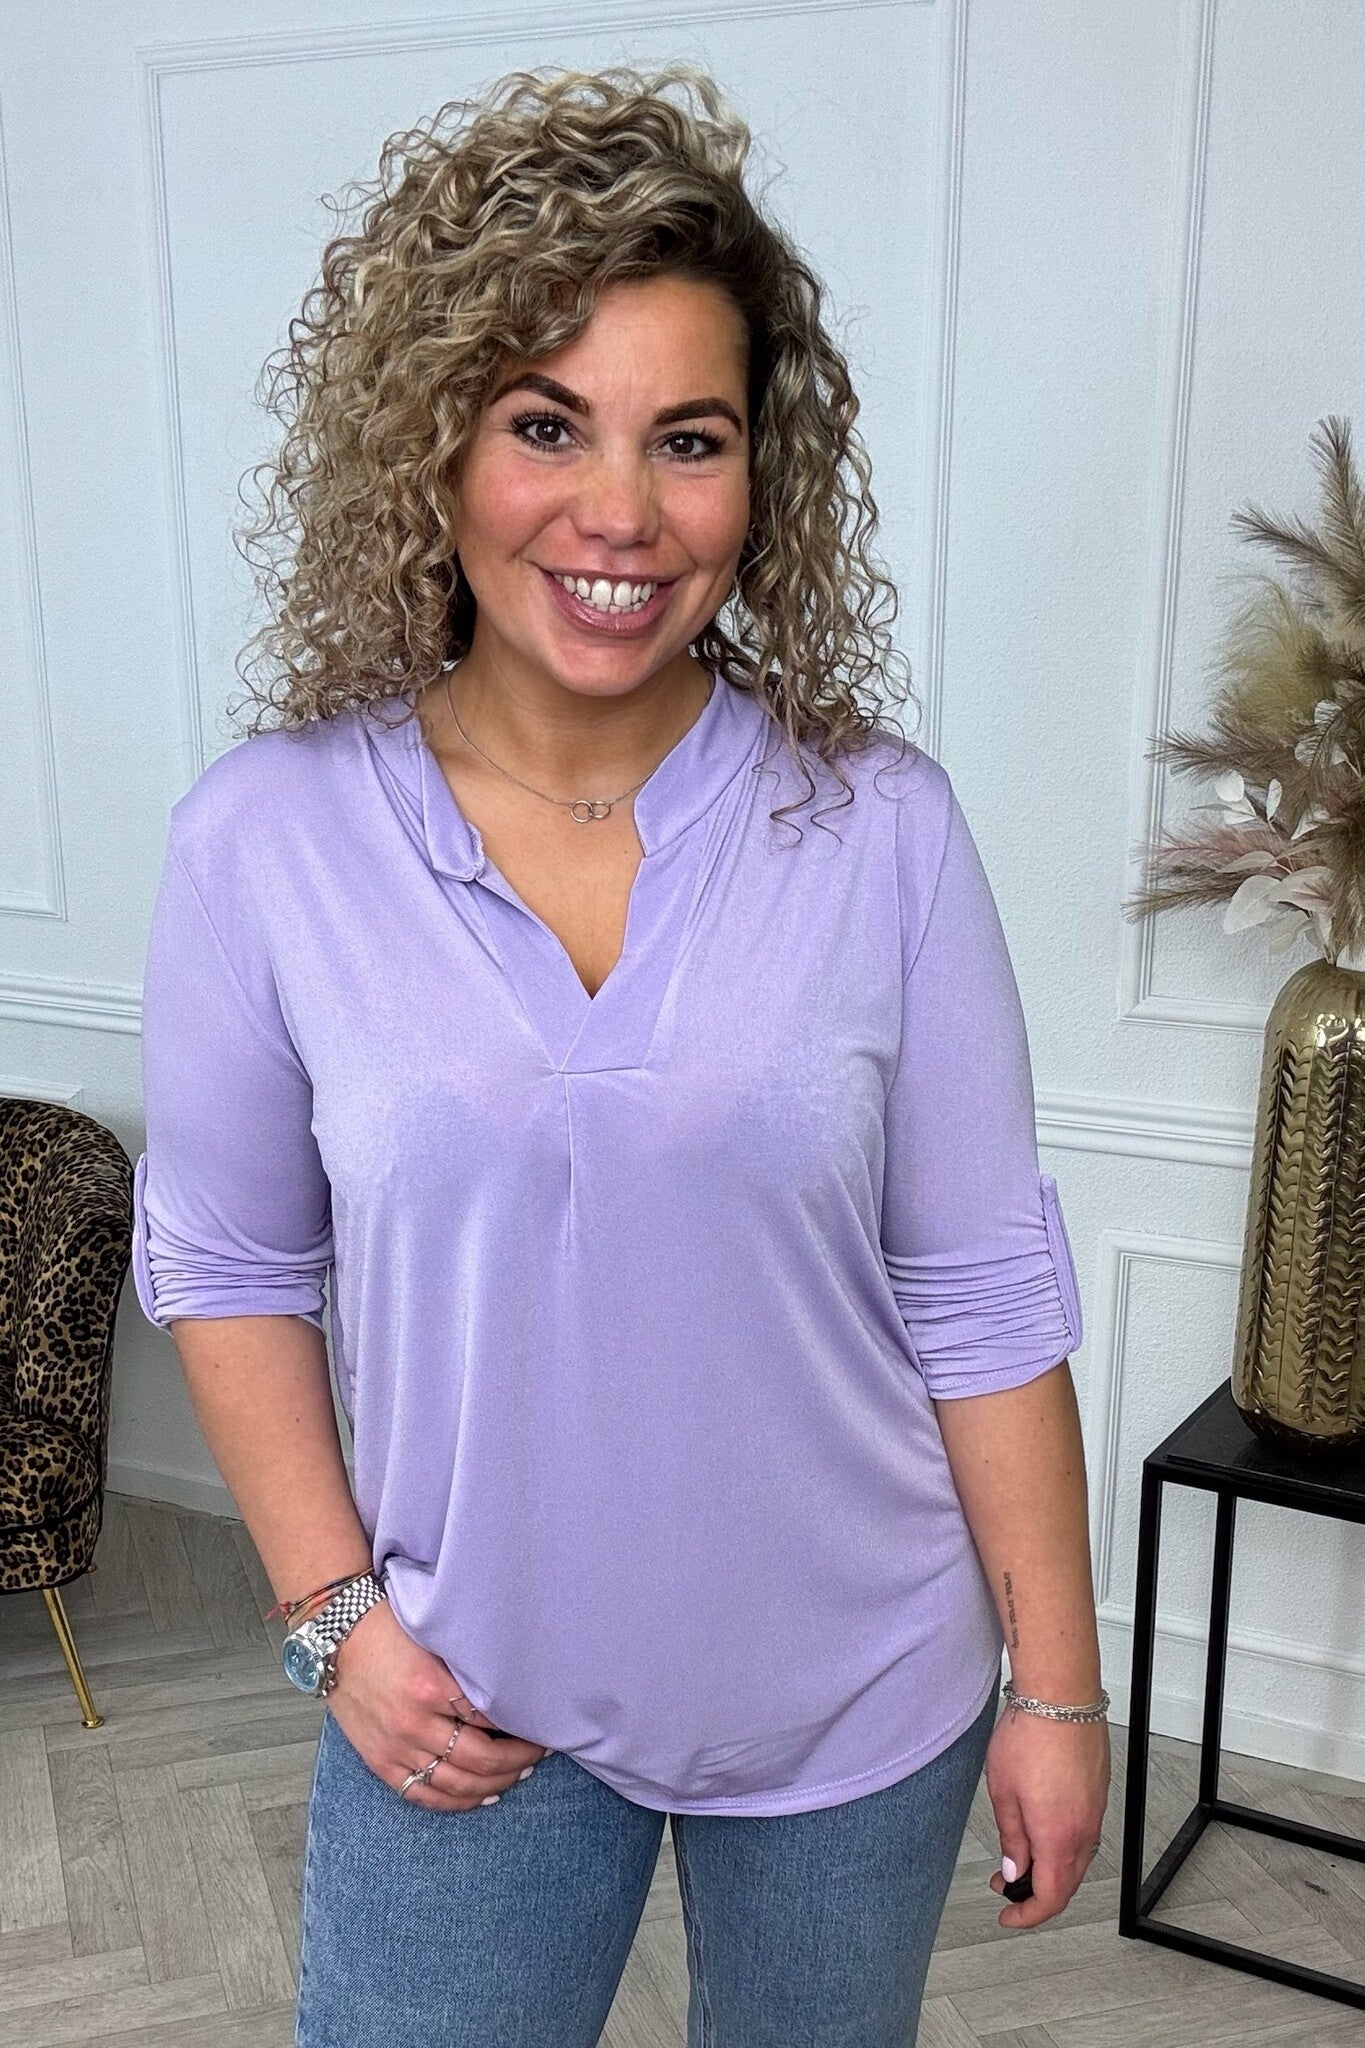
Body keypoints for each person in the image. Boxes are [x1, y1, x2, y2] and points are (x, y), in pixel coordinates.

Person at [131, 62, 1110, 2048]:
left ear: (761, 478)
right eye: (543, 423)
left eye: (688, 439)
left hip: (858, 1694)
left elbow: (979, 1288)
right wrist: (331, 1616)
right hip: (463, 1688)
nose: (621, 513)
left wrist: (1057, 1689)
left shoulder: (879, 827)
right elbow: (228, 1262)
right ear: (432, 446)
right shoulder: (266, 838)